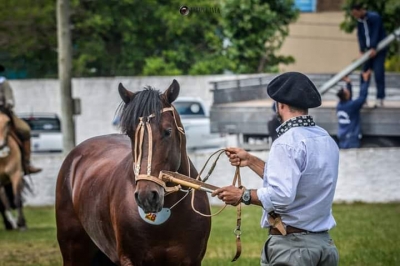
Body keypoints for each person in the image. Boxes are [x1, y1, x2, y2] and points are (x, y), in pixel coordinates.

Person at [212, 72, 339, 266]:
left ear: (280, 105)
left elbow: (282, 195)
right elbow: (296, 181)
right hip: (324, 245)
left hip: (293, 250)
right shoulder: (325, 139)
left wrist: (243, 195)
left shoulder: (286, 142)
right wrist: (251, 160)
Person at [0, 64, 42, 174]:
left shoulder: (3, 83)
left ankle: (27, 162)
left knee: (25, 129)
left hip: (3, 112)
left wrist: (7, 105)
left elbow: (10, 99)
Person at [350, 4, 387, 107]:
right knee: (364, 74)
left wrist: (374, 47)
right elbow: (360, 35)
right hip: (367, 52)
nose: (355, 16)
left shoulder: (374, 17)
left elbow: (376, 32)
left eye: (356, 13)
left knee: (379, 73)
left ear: (361, 10)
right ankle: (363, 98)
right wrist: (361, 50)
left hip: (378, 50)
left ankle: (380, 98)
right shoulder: (359, 21)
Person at [336, 71, 371, 149]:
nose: (347, 90)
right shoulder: (351, 105)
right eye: (346, 91)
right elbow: (362, 97)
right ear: (346, 95)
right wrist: (365, 81)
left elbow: (348, 97)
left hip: (342, 136)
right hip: (351, 138)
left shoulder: (339, 105)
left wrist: (348, 83)